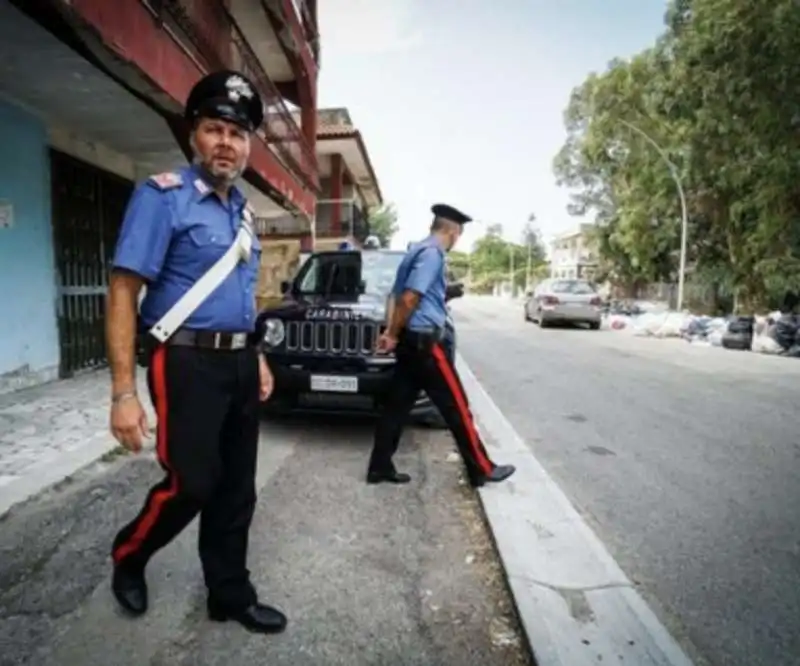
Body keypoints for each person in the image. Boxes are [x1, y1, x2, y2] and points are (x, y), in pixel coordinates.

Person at [105, 69, 286, 634]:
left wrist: (254, 352)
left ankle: (229, 593)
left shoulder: (245, 216)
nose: (226, 143)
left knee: (236, 487)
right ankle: (129, 555)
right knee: (194, 482)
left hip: (237, 361)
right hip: (183, 361)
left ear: (248, 145)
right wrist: (122, 394)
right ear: (194, 135)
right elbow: (123, 291)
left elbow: (242, 295)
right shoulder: (162, 198)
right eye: (214, 129)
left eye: (237, 134)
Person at [366, 204, 516, 486]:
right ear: (451, 230)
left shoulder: (414, 251)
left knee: (396, 408)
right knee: (457, 407)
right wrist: (394, 333)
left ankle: (379, 467)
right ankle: (482, 468)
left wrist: (392, 331)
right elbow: (409, 298)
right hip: (424, 343)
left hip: (411, 342)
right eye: (458, 234)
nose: (457, 239)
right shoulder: (433, 254)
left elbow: (399, 296)